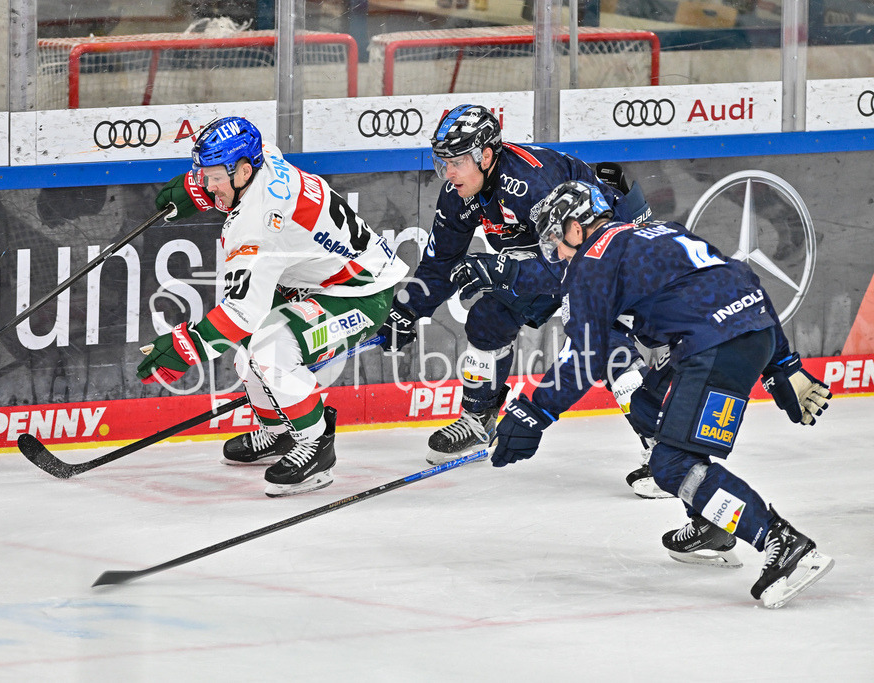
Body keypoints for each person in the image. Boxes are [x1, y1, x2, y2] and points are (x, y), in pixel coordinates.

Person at [491, 179, 834, 608]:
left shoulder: (592, 260)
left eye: (556, 242)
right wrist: (781, 362)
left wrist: (531, 414)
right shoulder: (654, 231)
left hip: (713, 349)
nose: (557, 255)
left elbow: (584, 355)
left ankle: (779, 541)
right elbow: (740, 279)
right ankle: (712, 519)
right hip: (747, 334)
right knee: (650, 405)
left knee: (671, 466)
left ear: (576, 228)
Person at [376, 103, 663, 497]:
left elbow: (571, 264)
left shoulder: (533, 183)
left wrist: (502, 270)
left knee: (604, 342)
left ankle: (667, 453)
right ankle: (479, 422)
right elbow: (441, 262)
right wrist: (407, 311)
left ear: (487, 155)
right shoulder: (461, 194)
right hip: (551, 255)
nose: (449, 173)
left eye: (457, 162)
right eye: (443, 162)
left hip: (607, 253)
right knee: (488, 318)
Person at [138, 116, 408, 497]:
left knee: (267, 348)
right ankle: (281, 432)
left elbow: (240, 315)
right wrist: (196, 190)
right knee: (248, 353)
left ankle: (316, 446)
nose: (207, 184)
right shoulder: (262, 156)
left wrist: (184, 346)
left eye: (214, 177)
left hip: (360, 293)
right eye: (203, 174)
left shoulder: (258, 225)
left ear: (243, 171)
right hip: (314, 281)